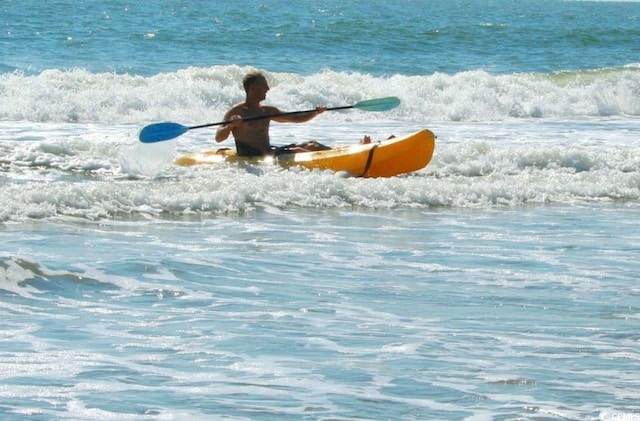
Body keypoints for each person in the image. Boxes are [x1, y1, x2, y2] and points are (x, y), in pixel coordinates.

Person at [215, 71, 371, 157]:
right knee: (298, 151)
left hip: (269, 152)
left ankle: (348, 153)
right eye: (264, 86)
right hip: (253, 157)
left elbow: (296, 119)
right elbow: (218, 137)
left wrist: (315, 112)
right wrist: (230, 126)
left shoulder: (267, 111)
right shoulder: (236, 112)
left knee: (313, 144)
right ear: (252, 89)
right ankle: (345, 158)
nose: (268, 89)